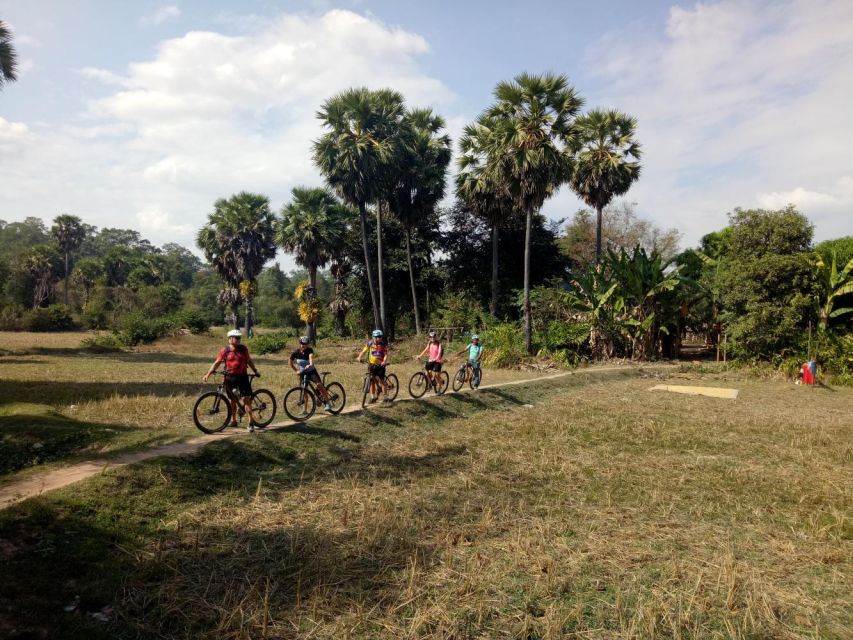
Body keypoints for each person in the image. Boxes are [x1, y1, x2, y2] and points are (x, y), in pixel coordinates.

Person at [203, 329, 261, 431]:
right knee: (232, 400)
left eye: (239, 338)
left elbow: (248, 360)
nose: (238, 339)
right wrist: (208, 374)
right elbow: (217, 362)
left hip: (243, 377)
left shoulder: (243, 349)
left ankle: (251, 422)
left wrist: (255, 370)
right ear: (230, 339)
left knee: (246, 400)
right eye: (236, 337)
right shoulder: (225, 350)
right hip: (230, 378)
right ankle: (233, 421)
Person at [289, 336, 333, 413]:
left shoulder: (310, 350)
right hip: (302, 373)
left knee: (319, 385)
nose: (303, 345)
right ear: (299, 343)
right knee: (304, 390)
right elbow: (290, 362)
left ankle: (328, 403)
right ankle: (305, 410)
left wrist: (310, 364)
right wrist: (296, 370)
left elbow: (311, 358)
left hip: (311, 371)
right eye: (302, 343)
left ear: (308, 344)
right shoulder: (296, 352)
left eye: (305, 344)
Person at [357, 329, 390, 403]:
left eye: (380, 336)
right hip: (371, 365)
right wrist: (359, 357)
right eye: (376, 337)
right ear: (373, 337)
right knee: (372, 381)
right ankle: (373, 397)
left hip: (380, 365)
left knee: (381, 381)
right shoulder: (370, 343)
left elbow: (386, 354)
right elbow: (363, 351)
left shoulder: (382, 345)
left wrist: (384, 361)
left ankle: (385, 397)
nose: (378, 338)